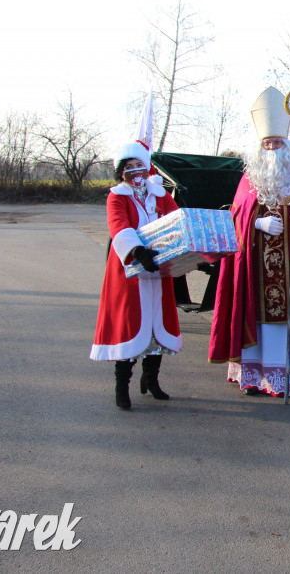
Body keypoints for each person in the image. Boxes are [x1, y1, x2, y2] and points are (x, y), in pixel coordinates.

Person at [208, 87, 290, 396]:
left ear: (287, 145)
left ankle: (282, 377)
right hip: (255, 269)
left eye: (277, 142)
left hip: (289, 269)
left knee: (282, 321)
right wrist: (257, 223)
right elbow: (237, 217)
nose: (272, 148)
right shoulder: (249, 180)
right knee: (257, 317)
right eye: (267, 143)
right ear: (260, 148)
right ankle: (252, 376)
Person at [90, 138, 182, 410]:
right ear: (121, 171)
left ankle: (151, 380)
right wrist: (138, 251)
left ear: (147, 167)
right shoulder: (117, 195)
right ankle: (122, 384)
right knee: (130, 325)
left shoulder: (160, 194)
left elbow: (176, 219)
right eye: (128, 166)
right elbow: (118, 225)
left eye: (139, 165)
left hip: (160, 269)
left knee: (157, 328)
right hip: (131, 269)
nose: (134, 170)